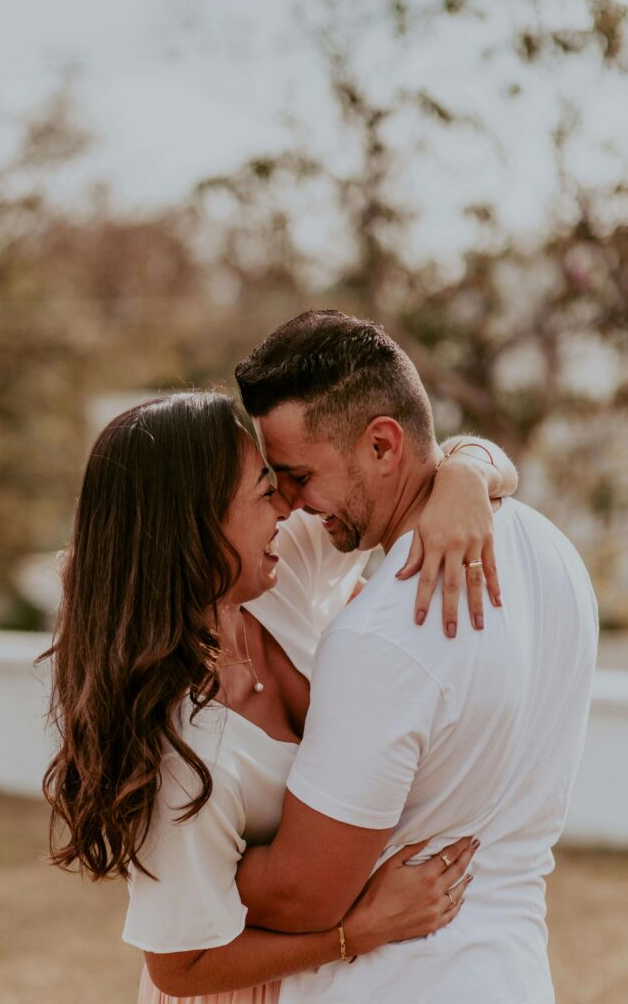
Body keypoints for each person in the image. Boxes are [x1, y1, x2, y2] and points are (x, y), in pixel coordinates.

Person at [42, 390, 516, 1003]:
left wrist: (465, 476)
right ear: (198, 526)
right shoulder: (182, 753)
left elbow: (408, 464)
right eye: (266, 492)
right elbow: (178, 966)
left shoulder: (278, 569)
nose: (289, 506)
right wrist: (356, 933)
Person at [229, 309, 599, 1004]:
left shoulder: (381, 634)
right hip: (512, 974)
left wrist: (164, 857)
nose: (292, 504)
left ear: (381, 444)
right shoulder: (547, 547)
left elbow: (303, 897)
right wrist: (467, 464)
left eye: (298, 475)